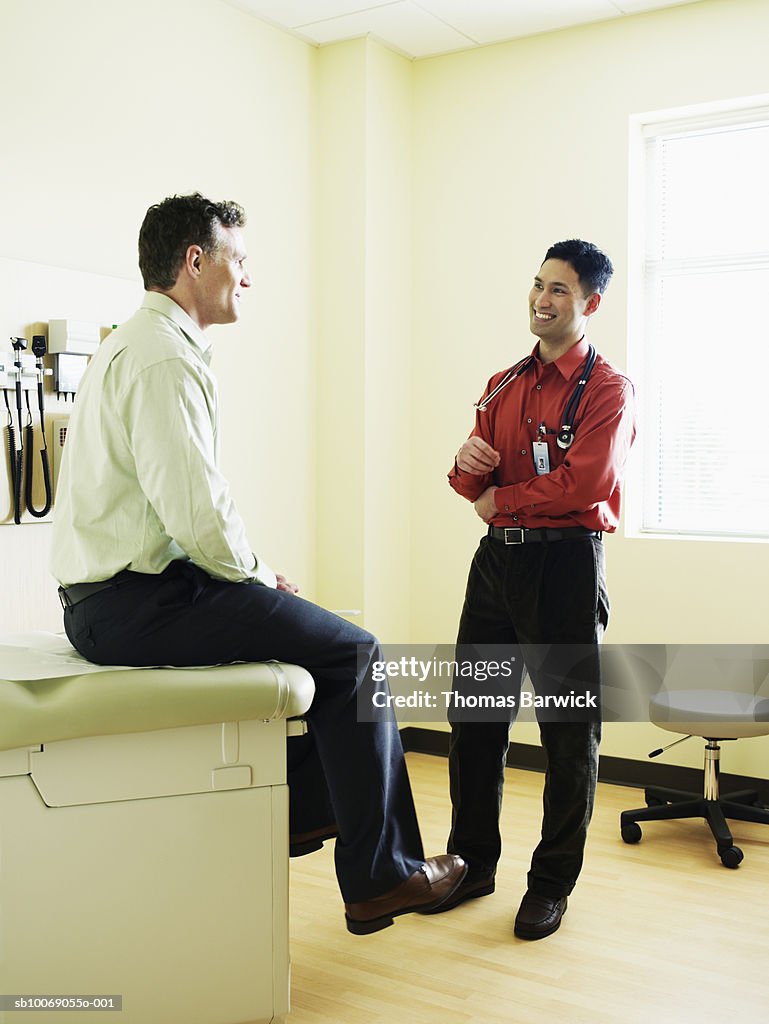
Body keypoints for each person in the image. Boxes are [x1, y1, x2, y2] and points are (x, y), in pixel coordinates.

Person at [50, 192, 466, 935]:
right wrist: (249, 570)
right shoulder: (160, 357)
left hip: (120, 595)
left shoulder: (141, 344)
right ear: (194, 260)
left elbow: (185, 505)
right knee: (358, 654)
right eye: (239, 260)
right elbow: (194, 508)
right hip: (135, 603)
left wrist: (246, 570)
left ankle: (306, 815)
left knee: (324, 647)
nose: (249, 277)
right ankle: (379, 877)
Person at [426, 239, 636, 939]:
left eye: (560, 292)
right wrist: (464, 469)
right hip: (495, 569)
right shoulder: (502, 384)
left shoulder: (607, 390)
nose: (542, 300)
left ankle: (549, 886)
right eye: (538, 285)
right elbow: (469, 483)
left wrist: (497, 499)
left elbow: (585, 484)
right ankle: (471, 864)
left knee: (567, 735)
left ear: (590, 304)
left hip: (565, 571)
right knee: (475, 723)